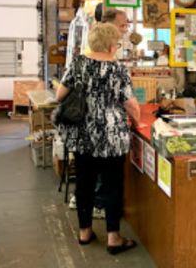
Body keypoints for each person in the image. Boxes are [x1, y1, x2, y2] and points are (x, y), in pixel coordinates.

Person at [56, 23, 140, 255]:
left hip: (83, 134)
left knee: (84, 184)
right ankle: (113, 237)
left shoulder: (78, 63)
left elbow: (60, 94)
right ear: (112, 44)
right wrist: (138, 120)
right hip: (112, 137)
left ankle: (85, 232)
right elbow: (130, 103)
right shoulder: (119, 69)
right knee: (112, 185)